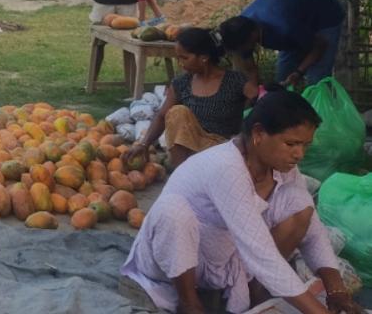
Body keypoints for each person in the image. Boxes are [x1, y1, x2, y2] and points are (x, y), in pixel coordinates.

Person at [121, 89, 362, 314]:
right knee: (171, 212)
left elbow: (312, 230)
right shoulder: (227, 167)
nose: (300, 154)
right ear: (258, 134)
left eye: (305, 145)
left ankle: (256, 293)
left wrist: (336, 290)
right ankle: (189, 303)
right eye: (291, 144)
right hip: (175, 261)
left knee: (302, 212)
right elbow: (260, 252)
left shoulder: (284, 169)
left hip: (225, 262)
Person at [123, 28, 257, 169]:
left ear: (204, 57)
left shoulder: (234, 81)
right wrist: (144, 144)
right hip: (189, 153)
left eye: (185, 58)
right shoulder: (181, 83)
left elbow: (260, 101)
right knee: (177, 112)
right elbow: (162, 117)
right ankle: (182, 175)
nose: (180, 63)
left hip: (221, 150)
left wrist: (245, 134)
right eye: (178, 57)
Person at [219, 0, 345, 88]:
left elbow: (320, 45)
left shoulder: (284, 26)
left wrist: (298, 72)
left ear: (252, 35)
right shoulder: (239, 27)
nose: (243, 52)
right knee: (282, 81)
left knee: (317, 82)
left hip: (325, 17)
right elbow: (249, 70)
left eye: (244, 48)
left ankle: (322, 115)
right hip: (294, 21)